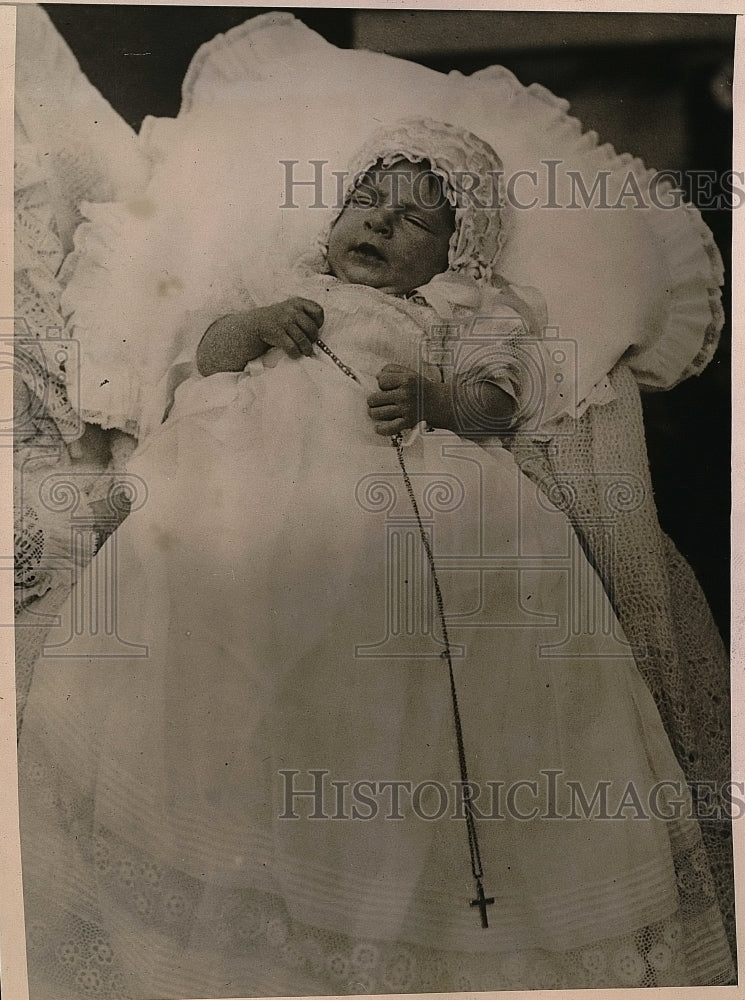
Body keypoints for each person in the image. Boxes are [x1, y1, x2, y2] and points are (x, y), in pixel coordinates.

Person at [17, 120, 734, 998]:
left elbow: (495, 406)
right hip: (260, 451)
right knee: (203, 542)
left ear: (454, 256)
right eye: (366, 203)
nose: (379, 226)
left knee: (458, 577)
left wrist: (435, 396)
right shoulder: (286, 284)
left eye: (413, 221)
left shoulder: (463, 312)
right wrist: (250, 327)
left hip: (407, 471)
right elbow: (203, 360)